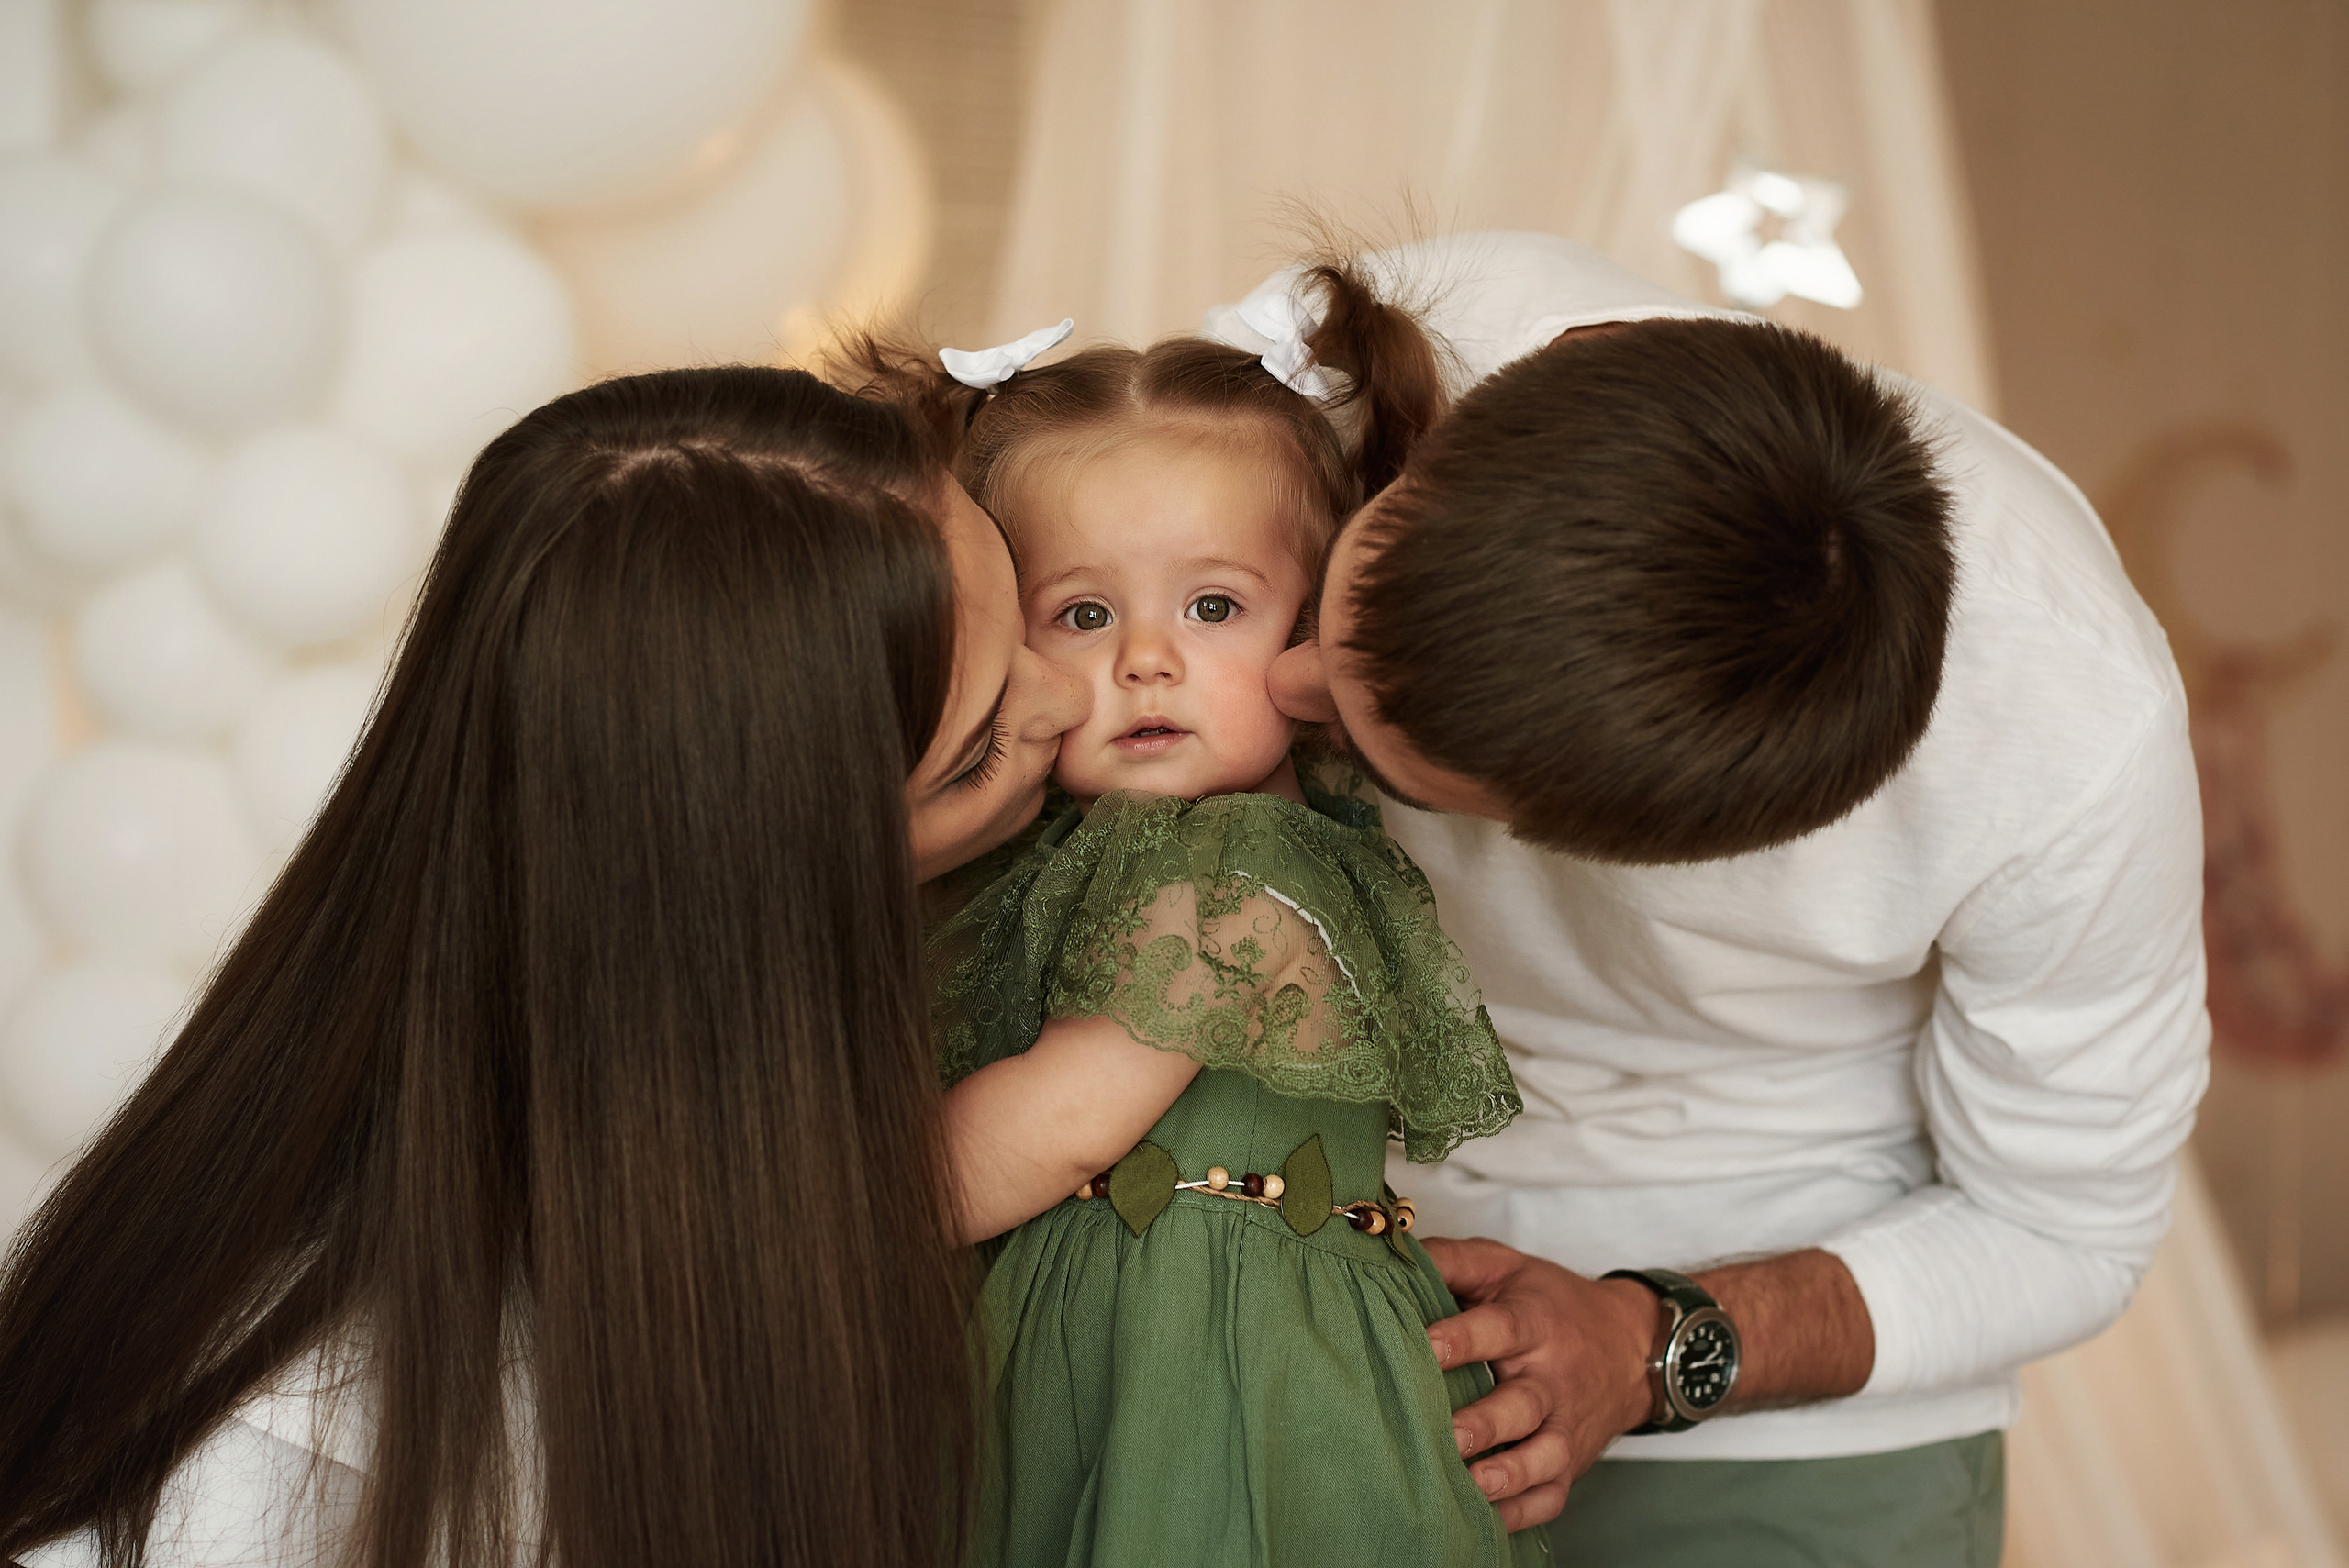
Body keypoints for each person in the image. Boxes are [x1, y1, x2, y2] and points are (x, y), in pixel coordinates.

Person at [1205, 233, 2210, 1567]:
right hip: (1301, 1262)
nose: (1282, 692)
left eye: (1404, 777)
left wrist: (1647, 1339)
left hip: (1782, 1371)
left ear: (1638, 849)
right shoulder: (1362, 351)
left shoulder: (2071, 733)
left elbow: (2060, 1230)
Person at [0, 365, 1087, 1568]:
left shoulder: (699, 1186)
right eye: (981, 742)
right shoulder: (270, 1475)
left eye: (1040, 613)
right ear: (762, 893)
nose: (1074, 696)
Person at [853, 300, 1549, 1565]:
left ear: (1312, 622)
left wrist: (800, 1195)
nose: (1149, 662)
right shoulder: (1055, 852)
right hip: (1116, 1323)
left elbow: (1053, 1124)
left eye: (1214, 607)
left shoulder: (1235, 869)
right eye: (1082, 615)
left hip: (1225, 1357)